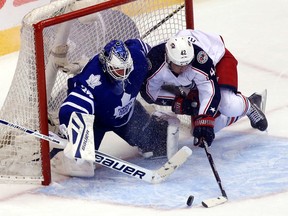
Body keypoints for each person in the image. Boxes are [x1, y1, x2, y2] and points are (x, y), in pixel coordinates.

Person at [51, 39, 181, 177]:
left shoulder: (138, 58)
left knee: (158, 145)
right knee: (80, 167)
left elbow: (139, 44)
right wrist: (68, 122)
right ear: (106, 65)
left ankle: (156, 121)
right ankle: (60, 150)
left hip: (126, 116)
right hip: (96, 122)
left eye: (127, 69)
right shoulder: (93, 79)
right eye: (119, 70)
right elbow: (72, 106)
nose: (123, 75)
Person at [140, 29, 268, 148]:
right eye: (179, 65)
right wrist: (179, 102)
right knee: (211, 127)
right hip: (197, 78)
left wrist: (204, 119)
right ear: (169, 59)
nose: (184, 68)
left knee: (227, 104)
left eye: (186, 64)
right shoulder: (155, 63)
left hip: (219, 59)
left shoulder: (199, 60)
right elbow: (150, 94)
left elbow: (210, 92)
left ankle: (249, 106)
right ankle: (244, 108)